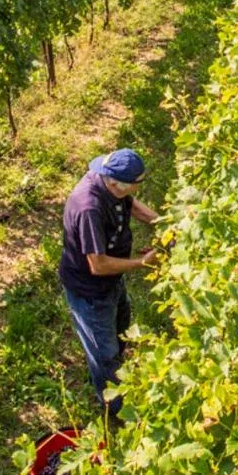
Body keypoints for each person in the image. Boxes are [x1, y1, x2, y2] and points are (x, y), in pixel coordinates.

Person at [59, 148, 161, 422]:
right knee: (103, 353)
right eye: (136, 184)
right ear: (116, 183)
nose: (138, 188)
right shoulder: (88, 208)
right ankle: (118, 412)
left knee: (120, 326)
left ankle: (117, 373)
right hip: (90, 290)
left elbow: (133, 205)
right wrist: (142, 263)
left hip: (112, 282)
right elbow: (99, 265)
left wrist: (165, 224)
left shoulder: (110, 183)